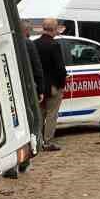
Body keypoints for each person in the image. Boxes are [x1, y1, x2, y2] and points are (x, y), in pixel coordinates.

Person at [32, 18, 68, 152]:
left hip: (39, 86)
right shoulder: (54, 45)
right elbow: (60, 68)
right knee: (52, 114)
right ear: (54, 28)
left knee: (40, 114)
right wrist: (62, 84)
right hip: (53, 86)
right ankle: (48, 141)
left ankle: (37, 140)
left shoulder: (35, 44)